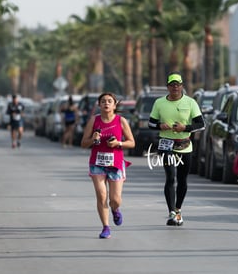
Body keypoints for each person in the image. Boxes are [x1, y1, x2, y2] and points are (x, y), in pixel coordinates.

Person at [148, 72, 205, 226]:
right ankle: (172, 211)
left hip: (184, 145)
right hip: (166, 144)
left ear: (181, 86)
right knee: (170, 177)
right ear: (167, 87)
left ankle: (178, 209)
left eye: (178, 84)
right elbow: (150, 123)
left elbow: (201, 124)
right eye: (172, 85)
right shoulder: (159, 103)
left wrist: (184, 127)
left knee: (182, 179)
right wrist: (160, 125)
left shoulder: (190, 102)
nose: (175, 87)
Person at [80, 92, 135, 239]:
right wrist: (93, 139)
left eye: (110, 101)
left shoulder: (121, 121)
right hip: (97, 162)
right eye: (103, 101)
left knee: (115, 199)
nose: (106, 103)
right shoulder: (94, 120)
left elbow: (132, 142)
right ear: (99, 104)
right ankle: (105, 227)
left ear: (115, 105)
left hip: (116, 163)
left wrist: (119, 143)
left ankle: (115, 210)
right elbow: (83, 143)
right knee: (101, 195)